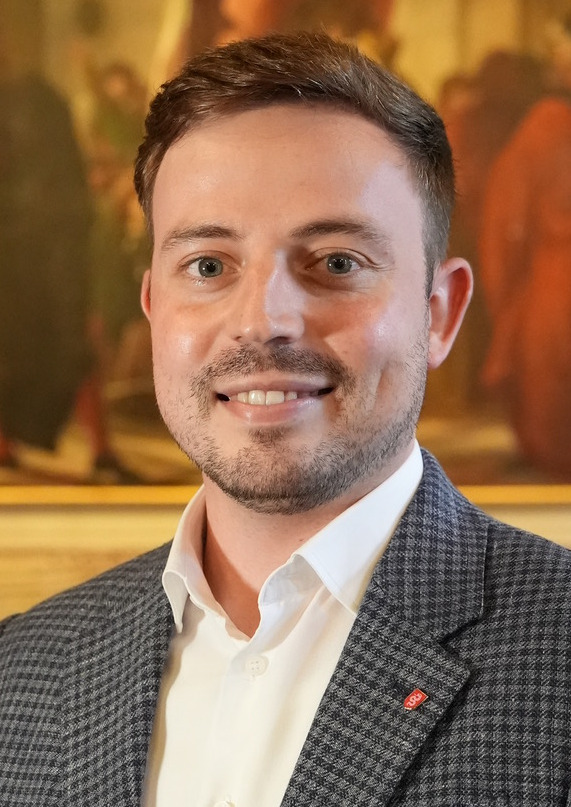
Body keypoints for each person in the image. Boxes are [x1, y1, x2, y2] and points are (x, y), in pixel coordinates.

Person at [0, 32, 570, 806]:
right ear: (154, 307)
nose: (262, 321)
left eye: (335, 262)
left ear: (439, 313)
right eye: (208, 265)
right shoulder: (21, 669)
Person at [480, 19, 571, 477]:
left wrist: (508, 295)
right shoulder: (546, 123)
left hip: (554, 291)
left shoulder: (546, 124)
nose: (557, 56)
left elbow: (505, 221)